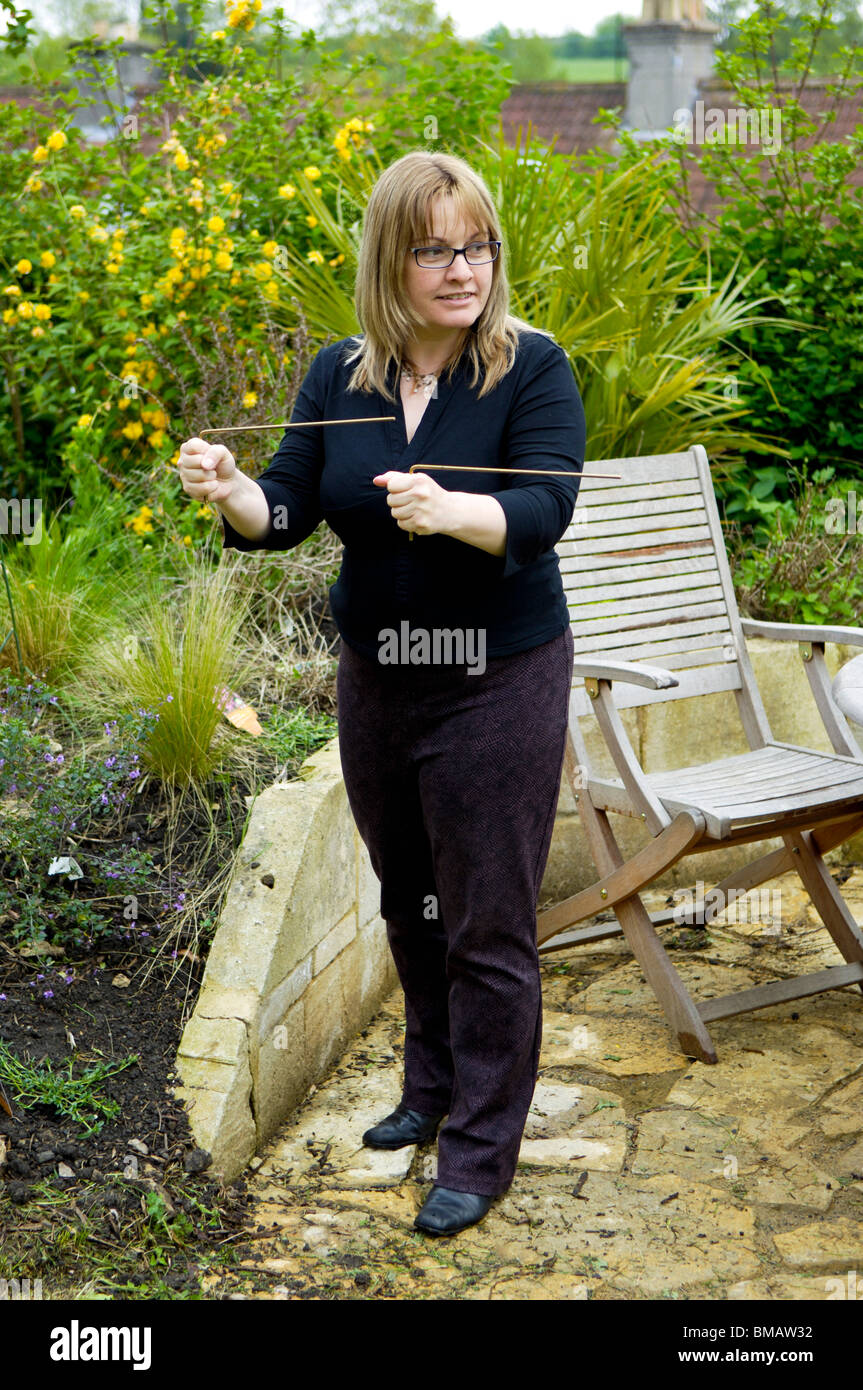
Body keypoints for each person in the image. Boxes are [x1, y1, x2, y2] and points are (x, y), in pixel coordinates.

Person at [178, 149, 586, 1237]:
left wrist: (452, 510)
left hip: (495, 676)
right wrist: (230, 492)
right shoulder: (337, 377)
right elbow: (287, 510)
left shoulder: (527, 368)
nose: (463, 270)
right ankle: (430, 1085)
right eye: (434, 249)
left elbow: (546, 507)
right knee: (408, 895)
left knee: (486, 918)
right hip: (379, 676)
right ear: (388, 261)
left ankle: (481, 1146)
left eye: (477, 246)